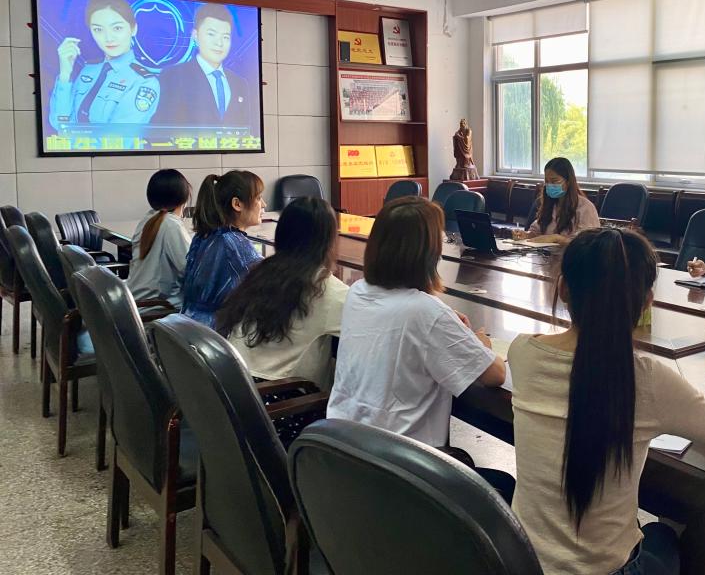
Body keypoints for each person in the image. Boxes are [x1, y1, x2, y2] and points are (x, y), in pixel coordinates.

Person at [509, 228, 705, 574]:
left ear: (562, 289)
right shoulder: (646, 379)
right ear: (647, 301)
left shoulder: (522, 351)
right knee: (668, 531)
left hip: (520, 562)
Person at [326, 197, 509, 493]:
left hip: (347, 453)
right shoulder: (425, 313)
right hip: (403, 472)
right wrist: (480, 342)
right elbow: (495, 375)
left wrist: (443, 319)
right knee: (505, 486)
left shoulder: (358, 291)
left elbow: (409, 317)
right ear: (428, 254)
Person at [217, 197, 348, 390]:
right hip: (279, 399)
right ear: (328, 241)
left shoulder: (260, 273)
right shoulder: (326, 289)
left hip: (236, 387)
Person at [48, 0, 160, 128]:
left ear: (133, 29)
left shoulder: (144, 82)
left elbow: (120, 137)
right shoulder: (89, 70)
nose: (108, 38)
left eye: (117, 28)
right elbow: (60, 124)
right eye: (98, 29)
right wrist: (65, 74)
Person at [180, 170, 264, 327]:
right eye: (259, 198)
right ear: (237, 204)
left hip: (190, 326)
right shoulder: (235, 244)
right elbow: (271, 284)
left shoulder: (205, 235)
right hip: (215, 332)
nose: (264, 205)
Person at [156, 3, 252, 127]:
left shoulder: (240, 84)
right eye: (211, 34)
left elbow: (248, 129)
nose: (219, 43)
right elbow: (161, 128)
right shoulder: (173, 76)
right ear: (195, 36)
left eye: (225, 37)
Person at [126, 169, 192, 309]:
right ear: (184, 199)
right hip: (156, 310)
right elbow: (191, 270)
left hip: (136, 305)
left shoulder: (148, 219)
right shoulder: (171, 225)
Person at [512, 157, 599, 245]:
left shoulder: (585, 207)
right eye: (547, 181)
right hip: (545, 252)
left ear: (568, 182)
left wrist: (557, 238)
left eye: (554, 181)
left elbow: (588, 243)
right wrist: (526, 235)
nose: (550, 185)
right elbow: (537, 231)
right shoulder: (550, 204)